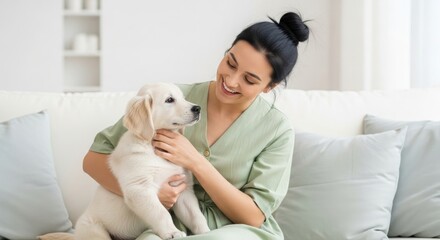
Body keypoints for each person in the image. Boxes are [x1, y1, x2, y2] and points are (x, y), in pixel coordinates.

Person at [83, 11, 309, 240]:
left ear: (269, 87)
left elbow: (254, 216)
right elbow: (93, 160)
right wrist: (149, 194)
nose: (231, 81)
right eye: (230, 63)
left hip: (236, 231)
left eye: (249, 79)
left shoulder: (276, 130)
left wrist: (196, 161)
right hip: (170, 227)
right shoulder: (172, 98)